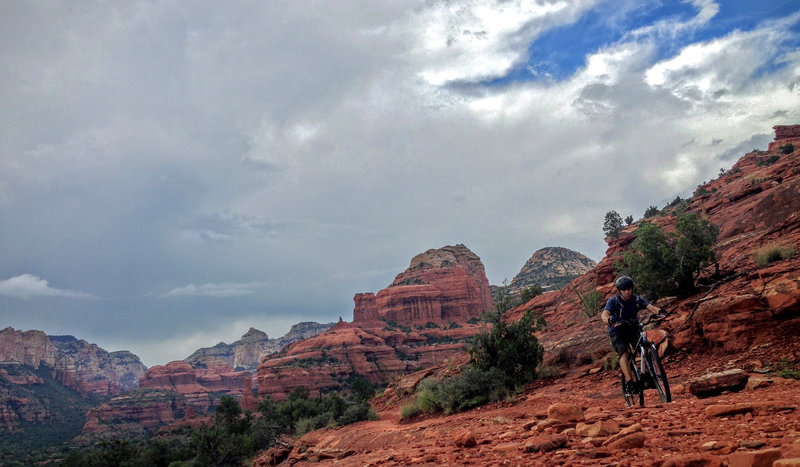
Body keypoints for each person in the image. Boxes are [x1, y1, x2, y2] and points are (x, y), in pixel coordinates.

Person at [600, 276, 662, 394]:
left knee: (646, 347)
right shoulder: (613, 301)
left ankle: (649, 376)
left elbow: (650, 307)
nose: (627, 292)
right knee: (624, 353)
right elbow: (604, 315)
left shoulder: (637, 300)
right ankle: (630, 383)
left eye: (629, 289)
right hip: (617, 331)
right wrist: (609, 321)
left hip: (633, 328)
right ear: (620, 291)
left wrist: (659, 312)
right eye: (624, 290)